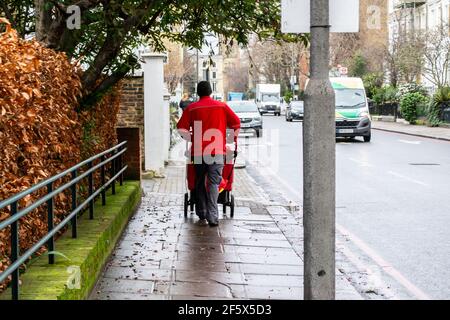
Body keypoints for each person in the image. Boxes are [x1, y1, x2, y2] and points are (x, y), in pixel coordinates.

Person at [177, 81, 241, 227]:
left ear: (197, 93)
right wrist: (230, 138)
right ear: (211, 91)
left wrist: (192, 138)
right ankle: (213, 216)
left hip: (198, 152)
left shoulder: (192, 108)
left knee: (199, 181)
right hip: (217, 151)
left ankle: (201, 211)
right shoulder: (222, 107)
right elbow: (236, 123)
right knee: (214, 183)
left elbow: (181, 127)